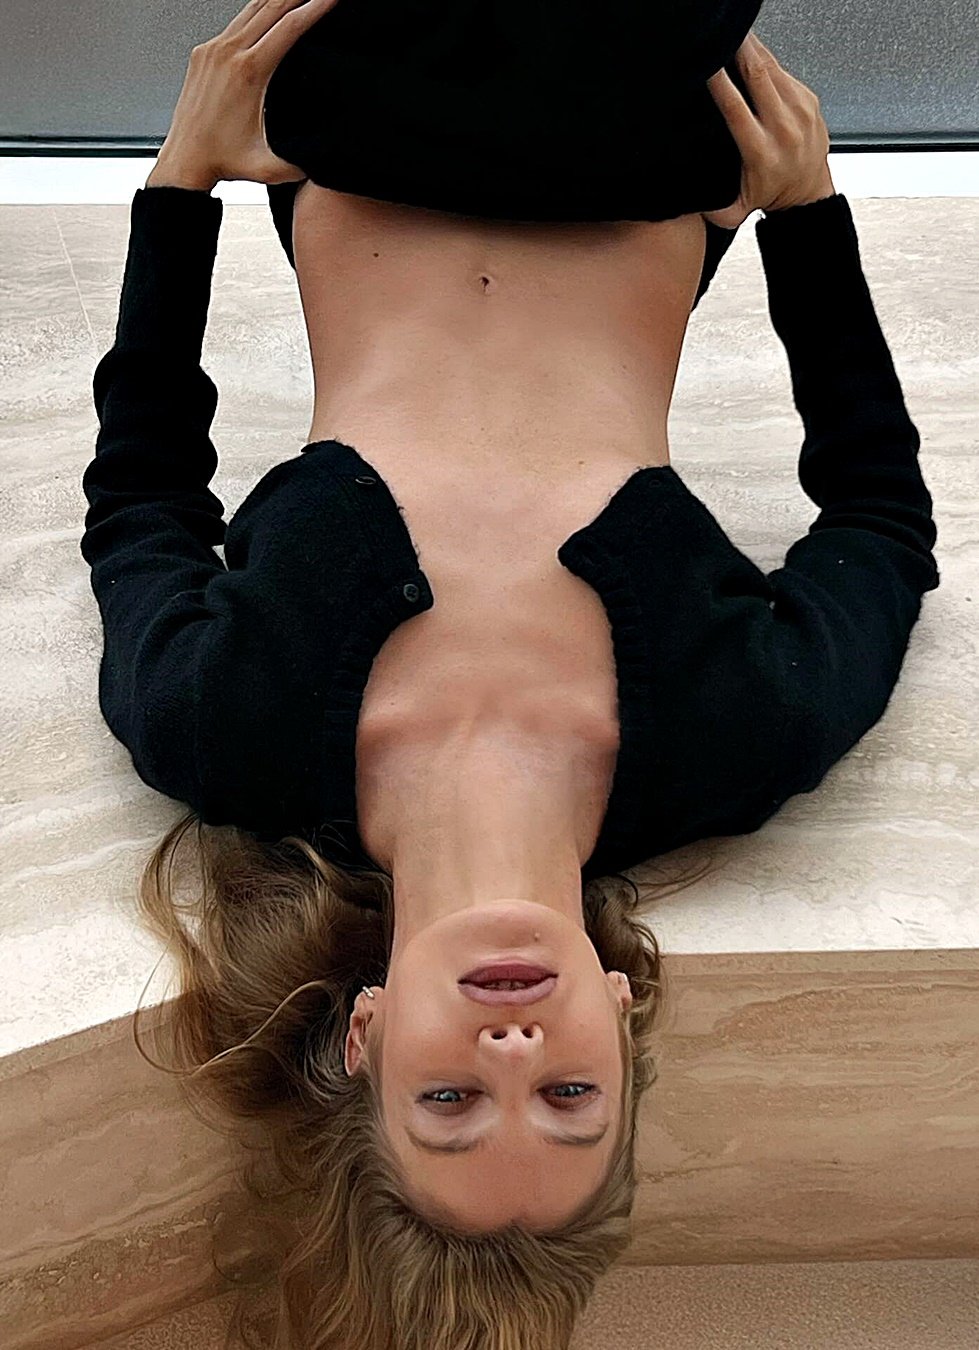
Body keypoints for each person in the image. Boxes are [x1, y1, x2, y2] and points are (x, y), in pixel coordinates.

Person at [78, 3, 939, 1348]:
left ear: (364, 1040)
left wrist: (181, 187)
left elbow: (143, 506)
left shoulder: (228, 732)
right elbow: (881, 527)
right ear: (620, 1027)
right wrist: (804, 214)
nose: (514, 1058)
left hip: (362, 111)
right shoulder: (734, 734)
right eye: (568, 1102)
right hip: (638, 128)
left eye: (450, 1106)